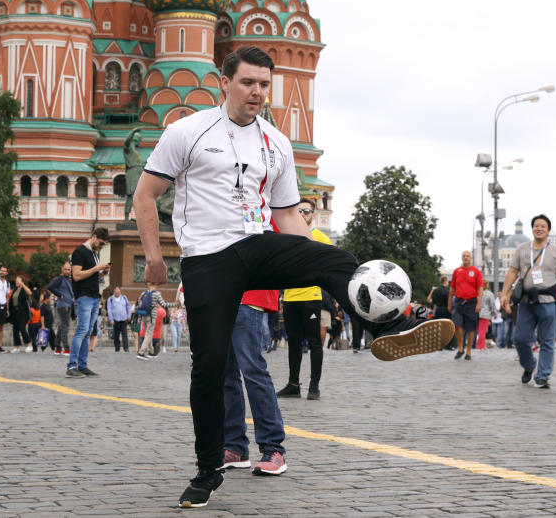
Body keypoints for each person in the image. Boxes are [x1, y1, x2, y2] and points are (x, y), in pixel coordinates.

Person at [133, 46, 453, 509]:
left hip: (257, 244)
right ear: (225, 82)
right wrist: (153, 257)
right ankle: (208, 470)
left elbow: (286, 214)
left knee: (330, 256)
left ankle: (388, 325)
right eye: (248, 83)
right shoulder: (188, 131)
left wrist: (307, 257)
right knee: (210, 366)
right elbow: (146, 195)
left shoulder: (275, 143)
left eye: (264, 84)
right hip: (207, 257)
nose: (257, 92)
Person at [501, 215, 556, 388]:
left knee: (547, 341)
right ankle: (529, 365)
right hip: (527, 301)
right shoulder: (522, 249)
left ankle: (543, 376)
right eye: (536, 226)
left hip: (548, 300)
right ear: (532, 228)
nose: (539, 228)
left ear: (548, 230)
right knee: (520, 339)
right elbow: (512, 271)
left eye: (543, 226)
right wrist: (505, 293)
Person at [220, 288, 287, 476]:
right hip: (219, 294)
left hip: (248, 294)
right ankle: (235, 448)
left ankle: (273, 448)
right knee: (225, 373)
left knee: (252, 370)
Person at [276, 199, 330, 400]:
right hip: (290, 297)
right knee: (294, 342)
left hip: (311, 296)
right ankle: (293, 384)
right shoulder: (287, 237)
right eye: (298, 211)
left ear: (313, 215)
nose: (302, 214)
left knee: (315, 342)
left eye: (306, 211)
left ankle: (314, 386)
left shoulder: (321, 239)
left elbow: (327, 268)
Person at [65, 228, 110, 378]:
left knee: (88, 332)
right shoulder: (80, 251)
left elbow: (91, 276)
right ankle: (72, 366)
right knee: (82, 330)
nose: (102, 246)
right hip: (84, 296)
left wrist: (102, 273)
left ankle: (82, 365)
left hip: (94, 295)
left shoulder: (94, 253)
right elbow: (77, 275)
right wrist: (96, 268)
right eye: (101, 243)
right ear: (94, 237)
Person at [449, 251, 483, 360]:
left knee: (470, 329)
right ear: (461, 258)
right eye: (464, 256)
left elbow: (480, 288)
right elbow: (452, 288)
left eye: (467, 256)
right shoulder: (456, 271)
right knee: (457, 326)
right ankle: (460, 348)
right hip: (458, 302)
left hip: (471, 303)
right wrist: (449, 302)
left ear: (471, 258)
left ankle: (468, 351)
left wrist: (479, 303)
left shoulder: (476, 272)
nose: (465, 258)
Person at [136, 280, 169, 360]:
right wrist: (176, 304)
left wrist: (139, 318)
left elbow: (140, 305)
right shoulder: (157, 293)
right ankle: (141, 352)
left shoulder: (144, 293)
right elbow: (164, 305)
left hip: (144, 315)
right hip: (151, 316)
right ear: (155, 284)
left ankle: (151, 352)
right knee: (148, 334)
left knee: (148, 334)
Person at [47, 261, 74, 356]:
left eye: (69, 269)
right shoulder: (59, 279)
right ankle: (66, 348)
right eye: (65, 269)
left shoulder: (70, 279)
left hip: (68, 304)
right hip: (62, 305)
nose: (67, 271)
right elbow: (50, 287)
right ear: (62, 269)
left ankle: (57, 348)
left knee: (62, 326)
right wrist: (59, 295)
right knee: (65, 326)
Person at [106, 286, 132, 352]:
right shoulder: (110, 299)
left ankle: (126, 348)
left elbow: (128, 307)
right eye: (116, 292)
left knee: (124, 334)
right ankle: (117, 349)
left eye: (118, 292)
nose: (117, 293)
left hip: (124, 319)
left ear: (120, 292)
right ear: (114, 292)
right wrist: (111, 319)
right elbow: (109, 310)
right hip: (115, 320)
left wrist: (129, 315)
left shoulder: (124, 297)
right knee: (116, 336)